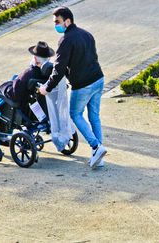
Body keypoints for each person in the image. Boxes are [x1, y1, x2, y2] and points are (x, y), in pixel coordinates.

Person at [38, 6, 106, 169]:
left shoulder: (65, 40)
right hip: (98, 79)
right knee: (94, 116)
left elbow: (59, 68)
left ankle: (96, 147)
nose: (56, 25)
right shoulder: (86, 34)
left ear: (67, 21)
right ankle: (99, 156)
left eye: (57, 22)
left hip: (83, 85)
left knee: (75, 114)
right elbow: (93, 57)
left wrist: (47, 87)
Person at [0, 41, 54, 140]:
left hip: (22, 105)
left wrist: (4, 87)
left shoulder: (28, 73)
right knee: (14, 78)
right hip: (40, 108)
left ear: (35, 58)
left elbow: (14, 95)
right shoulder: (51, 74)